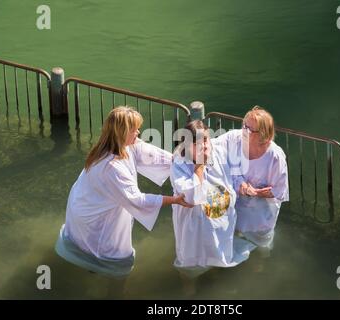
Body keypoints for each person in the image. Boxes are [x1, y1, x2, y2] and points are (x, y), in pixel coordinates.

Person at [55, 106, 192, 279]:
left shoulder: (119, 145)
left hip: (85, 202)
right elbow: (137, 200)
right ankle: (107, 280)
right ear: (122, 133)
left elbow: (151, 154)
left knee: (95, 247)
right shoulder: (112, 167)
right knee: (107, 252)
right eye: (134, 130)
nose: (138, 132)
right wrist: (174, 199)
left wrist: (178, 162)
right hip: (93, 214)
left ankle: (93, 266)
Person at [170, 120, 256, 282]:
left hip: (218, 217)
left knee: (217, 252)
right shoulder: (179, 162)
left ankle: (215, 274)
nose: (204, 145)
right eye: (197, 143)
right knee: (190, 262)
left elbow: (235, 139)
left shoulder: (219, 150)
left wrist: (243, 185)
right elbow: (191, 197)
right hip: (192, 226)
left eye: (206, 139)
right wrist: (200, 166)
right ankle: (189, 289)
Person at [212, 106, 289, 251]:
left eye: (250, 130)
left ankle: (261, 262)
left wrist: (256, 192)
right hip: (237, 205)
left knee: (262, 244)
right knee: (232, 235)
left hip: (260, 214)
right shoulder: (234, 138)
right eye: (244, 126)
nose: (244, 131)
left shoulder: (275, 157)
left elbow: (279, 191)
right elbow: (211, 147)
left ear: (263, 134)